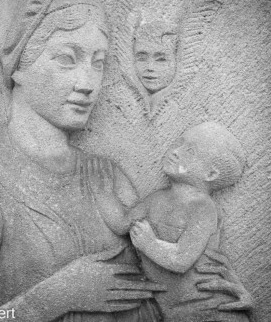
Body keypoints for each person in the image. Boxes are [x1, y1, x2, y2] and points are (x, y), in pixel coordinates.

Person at [0, 0, 251, 322]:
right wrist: (49, 299)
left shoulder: (106, 175)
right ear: (18, 63)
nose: (88, 84)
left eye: (98, 63)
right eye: (67, 58)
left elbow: (162, 277)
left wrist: (213, 289)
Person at [91, 122, 251, 321]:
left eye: (190, 151)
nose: (175, 151)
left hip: (206, 305)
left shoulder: (203, 208)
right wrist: (100, 192)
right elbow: (121, 223)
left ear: (210, 174)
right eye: (178, 143)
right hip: (170, 307)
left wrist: (150, 244)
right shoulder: (156, 198)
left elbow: (182, 260)